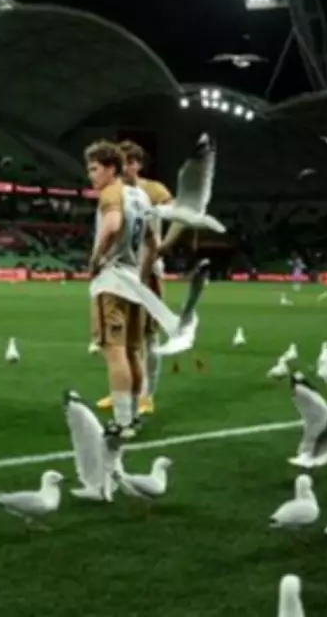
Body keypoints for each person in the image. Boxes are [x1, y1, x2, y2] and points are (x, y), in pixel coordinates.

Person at [96, 140, 186, 416]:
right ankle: (123, 393)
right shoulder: (116, 191)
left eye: (126, 162)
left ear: (136, 164)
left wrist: (164, 246)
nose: (121, 168)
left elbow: (181, 214)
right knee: (120, 340)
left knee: (147, 337)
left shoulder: (153, 190)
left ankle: (147, 396)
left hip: (147, 272)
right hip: (121, 273)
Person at [85, 140, 157, 441]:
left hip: (112, 281)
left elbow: (113, 225)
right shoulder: (141, 196)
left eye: (94, 168)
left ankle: (123, 421)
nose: (90, 175)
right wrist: (142, 273)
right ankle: (135, 415)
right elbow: (152, 242)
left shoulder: (111, 193)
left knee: (114, 352)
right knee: (132, 351)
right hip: (134, 281)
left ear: (110, 168)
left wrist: (95, 259)